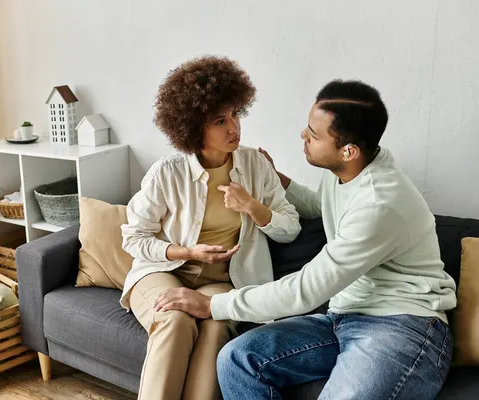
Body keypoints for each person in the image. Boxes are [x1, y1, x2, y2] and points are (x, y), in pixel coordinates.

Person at [154, 80, 457, 399]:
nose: (303, 136)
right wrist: (279, 181)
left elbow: (306, 289)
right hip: (345, 317)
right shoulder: (348, 171)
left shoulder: (380, 204)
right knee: (238, 359)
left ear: (348, 150)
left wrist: (214, 304)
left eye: (313, 134)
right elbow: (322, 206)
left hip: (404, 327)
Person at [120, 55, 301, 400]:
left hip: (222, 279)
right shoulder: (167, 172)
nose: (234, 127)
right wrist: (186, 251)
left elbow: (289, 227)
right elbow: (134, 237)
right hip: (164, 269)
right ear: (192, 127)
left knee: (216, 326)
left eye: (235, 114)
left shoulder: (256, 166)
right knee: (174, 321)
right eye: (220, 120)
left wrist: (252, 206)